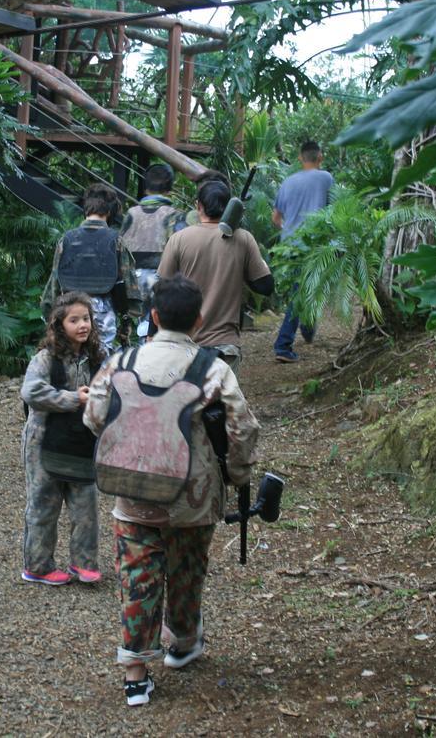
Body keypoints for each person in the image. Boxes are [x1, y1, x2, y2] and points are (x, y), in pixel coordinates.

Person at [83, 275, 261, 706]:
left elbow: (94, 417)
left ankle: (135, 673)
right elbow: (242, 429)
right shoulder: (213, 368)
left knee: (137, 576)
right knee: (186, 570)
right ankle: (182, 643)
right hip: (194, 497)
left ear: (154, 316)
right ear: (199, 319)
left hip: (134, 492)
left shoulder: (121, 361)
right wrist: (236, 476)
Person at [19, 291, 106, 586]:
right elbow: (31, 392)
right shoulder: (45, 359)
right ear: (59, 324)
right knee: (44, 504)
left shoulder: (97, 358)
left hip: (82, 443)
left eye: (87, 319)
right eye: (74, 320)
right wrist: (73, 398)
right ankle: (38, 566)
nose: (83, 325)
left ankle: (84, 564)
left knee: (86, 504)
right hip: (42, 442)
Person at [158, 180, 273, 367]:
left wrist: (153, 335)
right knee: (224, 396)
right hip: (225, 347)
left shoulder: (179, 239)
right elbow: (266, 287)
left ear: (198, 206)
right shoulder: (243, 239)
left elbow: (161, 291)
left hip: (184, 345)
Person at [41, 184, 140, 352]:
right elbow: (128, 284)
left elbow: (54, 282)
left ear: (85, 210)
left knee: (71, 357)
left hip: (70, 312)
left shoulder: (66, 239)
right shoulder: (116, 241)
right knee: (101, 361)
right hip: (103, 311)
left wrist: (50, 313)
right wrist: (127, 321)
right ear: (110, 212)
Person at [271, 140, 334, 363]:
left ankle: (307, 330)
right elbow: (332, 210)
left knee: (303, 290)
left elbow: (275, 218)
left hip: (288, 248)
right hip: (312, 245)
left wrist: (289, 230)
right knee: (301, 294)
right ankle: (283, 345)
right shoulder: (325, 178)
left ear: (300, 158)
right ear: (320, 157)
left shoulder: (288, 182)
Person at [119, 164, 183, 338]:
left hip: (132, 281)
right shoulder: (174, 215)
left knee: (136, 330)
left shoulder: (131, 214)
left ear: (146, 188)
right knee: (159, 329)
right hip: (162, 280)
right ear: (169, 190)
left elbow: (121, 246)